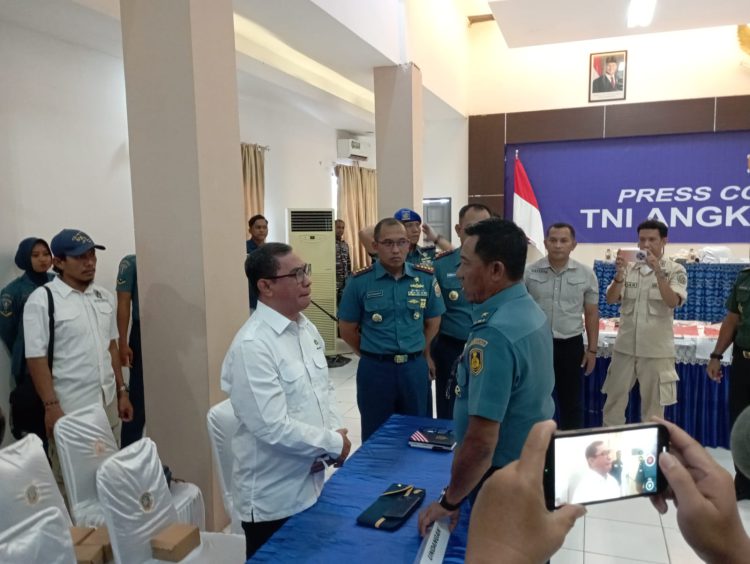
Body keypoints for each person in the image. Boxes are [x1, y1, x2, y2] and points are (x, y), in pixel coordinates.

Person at [418, 218, 555, 535]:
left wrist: (450, 501)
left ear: (495, 270)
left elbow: (481, 441)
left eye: (466, 263)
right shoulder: (527, 310)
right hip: (532, 463)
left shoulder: (494, 334)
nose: (458, 273)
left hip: (502, 477)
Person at [464, 418, 750, 564]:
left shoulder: (618, 479)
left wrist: (499, 557)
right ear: (590, 461)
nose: (610, 457)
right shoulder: (582, 484)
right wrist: (733, 552)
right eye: (603, 454)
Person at [220, 242, 350, 559]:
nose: (307, 280)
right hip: (274, 499)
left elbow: (323, 390)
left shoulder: (305, 328)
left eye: (305, 271)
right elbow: (272, 427)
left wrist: (334, 434)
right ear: (265, 286)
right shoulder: (253, 345)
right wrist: (332, 443)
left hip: (312, 482)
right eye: (296, 274)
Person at [23, 229, 133, 487]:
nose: (90, 262)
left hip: (107, 405)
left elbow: (111, 347)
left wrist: (122, 391)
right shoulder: (43, 300)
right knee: (74, 486)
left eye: (92, 255)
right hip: (70, 409)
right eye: (80, 257)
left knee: (110, 478)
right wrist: (51, 407)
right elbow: (36, 358)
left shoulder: (103, 297)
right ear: (59, 262)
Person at [338, 218, 445, 441]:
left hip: (413, 368)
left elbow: (433, 321)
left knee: (417, 433)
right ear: (375, 246)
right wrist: (370, 352)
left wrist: (422, 350)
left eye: (401, 242)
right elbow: (347, 329)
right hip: (376, 370)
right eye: (388, 243)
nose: (395, 250)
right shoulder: (359, 282)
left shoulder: (424, 278)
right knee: (377, 435)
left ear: (408, 244)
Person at [602, 219, 687, 426]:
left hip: (656, 351)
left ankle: (653, 446)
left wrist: (659, 272)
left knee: (654, 410)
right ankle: (610, 442)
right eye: (642, 240)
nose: (646, 244)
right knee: (613, 403)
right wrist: (619, 274)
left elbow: (672, 302)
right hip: (625, 349)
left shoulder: (675, 270)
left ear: (664, 241)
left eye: (652, 239)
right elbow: (611, 299)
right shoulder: (629, 267)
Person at [525, 223, 599, 430]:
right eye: (553, 240)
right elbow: (520, 310)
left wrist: (592, 350)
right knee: (535, 401)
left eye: (564, 240)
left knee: (571, 403)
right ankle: (537, 444)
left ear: (573, 244)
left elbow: (592, 313)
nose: (558, 245)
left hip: (570, 346)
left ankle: (570, 444)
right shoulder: (529, 272)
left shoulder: (586, 274)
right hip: (537, 346)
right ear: (545, 243)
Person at [431, 203, 492, 419]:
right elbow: (432, 314)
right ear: (458, 230)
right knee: (449, 406)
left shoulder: (499, 265)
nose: (478, 234)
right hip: (451, 348)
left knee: (487, 406)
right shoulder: (441, 265)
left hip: (491, 346)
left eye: (484, 227)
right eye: (471, 228)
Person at [0, 238, 54, 441]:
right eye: (35, 255)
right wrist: (25, 349)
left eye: (46, 254)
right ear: (24, 257)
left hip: (58, 362)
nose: (42, 259)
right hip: (27, 368)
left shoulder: (58, 283)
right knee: (33, 426)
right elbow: (8, 332)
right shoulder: (11, 292)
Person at [706, 265, 750, 500]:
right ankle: (743, 483)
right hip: (744, 361)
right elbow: (732, 319)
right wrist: (716, 355)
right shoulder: (744, 278)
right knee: (740, 423)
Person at [359, 208, 452, 269]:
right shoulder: (387, 252)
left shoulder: (427, 253)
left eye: (417, 225)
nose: (415, 230)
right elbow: (364, 233)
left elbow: (454, 255)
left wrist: (436, 238)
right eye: (409, 225)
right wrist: (389, 228)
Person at [116, 254, 145, 447]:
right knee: (138, 395)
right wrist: (123, 342)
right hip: (140, 331)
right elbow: (124, 302)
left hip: (168, 329)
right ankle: (128, 450)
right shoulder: (131, 263)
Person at [246, 214, 268, 310]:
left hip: (268, 301)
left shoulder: (270, 250)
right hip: (249, 302)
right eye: (258, 227)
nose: (262, 230)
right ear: (250, 230)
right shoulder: (243, 248)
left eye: (264, 227)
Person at [334, 219, 351, 304]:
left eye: (342, 228)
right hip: (333, 280)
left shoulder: (345, 245)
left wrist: (349, 277)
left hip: (344, 280)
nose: (341, 230)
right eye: (338, 227)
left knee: (343, 304)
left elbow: (348, 262)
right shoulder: (329, 244)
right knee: (333, 304)